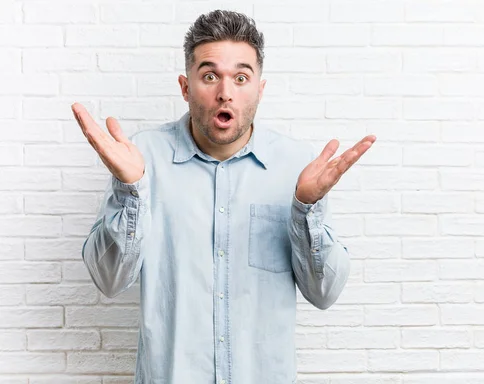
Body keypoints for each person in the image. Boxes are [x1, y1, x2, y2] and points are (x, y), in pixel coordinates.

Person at [72, 9, 376, 384]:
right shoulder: (141, 158)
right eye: (210, 75)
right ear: (186, 87)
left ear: (260, 89)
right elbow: (108, 279)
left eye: (241, 77)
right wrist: (133, 190)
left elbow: (325, 292)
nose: (225, 92)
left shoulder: (298, 167)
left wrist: (305, 209)